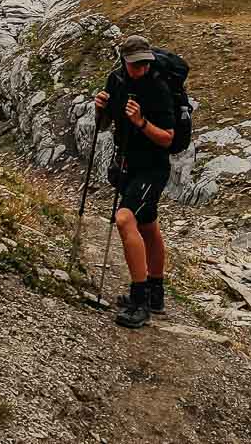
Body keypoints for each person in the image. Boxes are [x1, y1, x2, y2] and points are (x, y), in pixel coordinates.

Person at [94, 34, 175, 329]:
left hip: (152, 168)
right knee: (148, 225)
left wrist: (141, 122)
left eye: (144, 63)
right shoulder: (115, 81)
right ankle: (156, 292)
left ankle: (139, 300)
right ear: (123, 61)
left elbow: (168, 138)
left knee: (125, 219)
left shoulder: (159, 88)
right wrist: (100, 108)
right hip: (127, 165)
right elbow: (105, 125)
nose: (140, 69)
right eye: (134, 64)